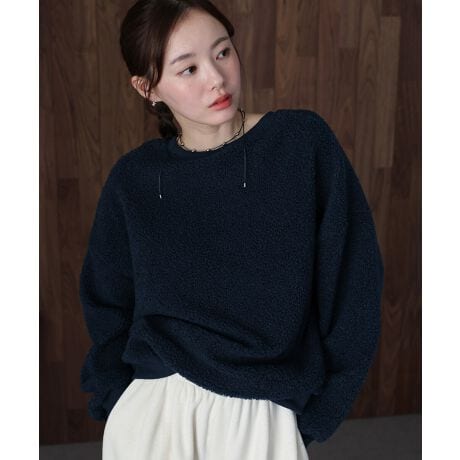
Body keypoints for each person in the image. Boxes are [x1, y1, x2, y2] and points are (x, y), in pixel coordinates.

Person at [79, 0, 384, 459]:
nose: (216, 79)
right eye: (188, 69)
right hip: (153, 414)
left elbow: (353, 282)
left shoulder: (300, 144)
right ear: (148, 88)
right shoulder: (134, 179)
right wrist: (115, 398)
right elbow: (106, 302)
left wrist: (322, 410)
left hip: (261, 411)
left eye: (222, 52)